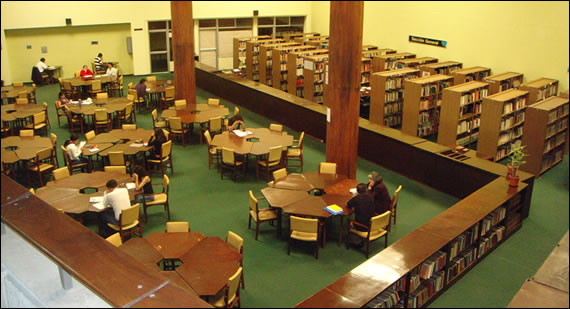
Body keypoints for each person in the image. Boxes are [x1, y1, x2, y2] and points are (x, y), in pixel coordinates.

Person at [347, 183, 375, 248]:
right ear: (366, 190)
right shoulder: (371, 197)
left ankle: (356, 241)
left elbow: (348, 204)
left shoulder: (357, 198)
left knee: (348, 222)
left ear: (357, 191)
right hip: (372, 223)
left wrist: (354, 198)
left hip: (362, 226)